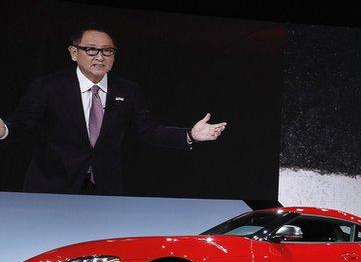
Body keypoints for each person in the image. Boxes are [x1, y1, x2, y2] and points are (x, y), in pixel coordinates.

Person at [0, 25, 227, 194]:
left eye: (107, 51)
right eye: (91, 50)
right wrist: (4, 130)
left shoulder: (128, 90)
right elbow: (23, 124)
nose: (100, 57)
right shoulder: (48, 87)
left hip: (105, 189)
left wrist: (189, 135)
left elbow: (148, 130)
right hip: (52, 187)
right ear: (73, 52)